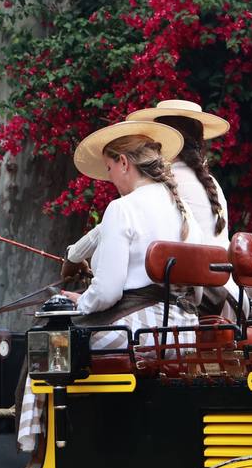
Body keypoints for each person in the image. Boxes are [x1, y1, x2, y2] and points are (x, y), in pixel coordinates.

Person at [17, 120, 203, 453]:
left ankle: (34, 448)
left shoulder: (122, 209)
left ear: (124, 163)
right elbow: (197, 288)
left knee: (45, 342)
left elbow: (108, 292)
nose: (111, 178)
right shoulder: (182, 209)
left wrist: (79, 304)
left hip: (139, 332)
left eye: (109, 168)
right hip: (183, 329)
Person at [62, 99, 238, 314]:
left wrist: (75, 256)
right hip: (222, 299)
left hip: (203, 304)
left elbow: (114, 229)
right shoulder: (209, 183)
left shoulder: (162, 189)